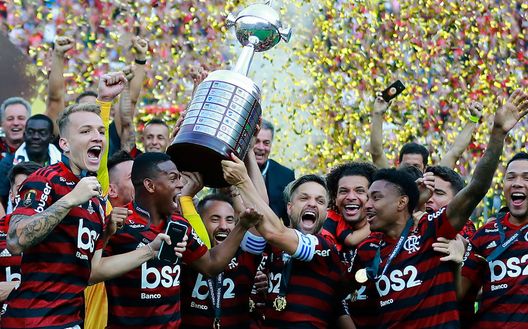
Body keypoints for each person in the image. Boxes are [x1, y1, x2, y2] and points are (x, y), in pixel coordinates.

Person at [1, 72, 181, 329]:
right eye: (85, 131)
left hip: (70, 320)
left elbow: (92, 271)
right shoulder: (46, 179)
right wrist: (69, 201)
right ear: (64, 143)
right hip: (32, 320)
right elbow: (16, 241)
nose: (97, 136)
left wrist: (148, 251)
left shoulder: (95, 200)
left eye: (100, 131)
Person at [350, 89, 528, 328]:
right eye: (368, 197)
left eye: (375, 198)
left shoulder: (433, 230)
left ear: (402, 202)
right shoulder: (367, 249)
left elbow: (475, 186)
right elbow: (353, 307)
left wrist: (496, 133)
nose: (366, 204)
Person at [104, 152, 261, 328]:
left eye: (180, 178)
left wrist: (242, 226)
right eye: (173, 178)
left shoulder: (179, 224)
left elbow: (211, 265)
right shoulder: (118, 224)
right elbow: (92, 273)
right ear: (150, 185)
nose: (180, 185)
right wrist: (147, 252)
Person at [222, 157, 346, 328]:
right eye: (304, 198)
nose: (312, 204)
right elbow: (257, 215)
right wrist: (249, 152)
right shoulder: (269, 248)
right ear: (289, 207)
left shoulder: (324, 248)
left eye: (320, 201)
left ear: (325, 213)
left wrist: (243, 181)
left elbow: (274, 232)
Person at [460, 150, 528, 328]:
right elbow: (460, 295)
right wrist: (455, 263)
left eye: (526, 178)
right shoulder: (484, 234)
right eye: (511, 177)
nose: (517, 184)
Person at [180, 193, 266, 328]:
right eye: (215, 219)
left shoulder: (246, 255)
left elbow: (260, 209)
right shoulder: (187, 256)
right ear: (200, 223)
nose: (223, 226)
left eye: (230, 220)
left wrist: (238, 184)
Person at [370, 93, 483, 171]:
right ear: (398, 166)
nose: (411, 170)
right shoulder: (391, 184)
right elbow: (376, 153)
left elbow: (455, 153)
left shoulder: (433, 188)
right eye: (407, 166)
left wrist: (473, 119)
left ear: (425, 168)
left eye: (416, 166)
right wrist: (377, 114)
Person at [0, 114, 61, 211]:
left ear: (51, 137)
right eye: (31, 132)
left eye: (42, 133)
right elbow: (1, 201)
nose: (36, 137)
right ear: (24, 135)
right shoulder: (8, 163)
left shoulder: (64, 162)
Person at [253, 119, 295, 225]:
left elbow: (290, 218)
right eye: (256, 141)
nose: (261, 147)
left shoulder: (286, 175)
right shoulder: (234, 168)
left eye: (266, 143)